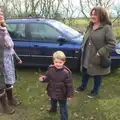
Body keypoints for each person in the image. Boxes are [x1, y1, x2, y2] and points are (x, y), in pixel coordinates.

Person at [75, 7, 116, 98]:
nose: (92, 16)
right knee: (85, 71)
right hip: (86, 54)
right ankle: (83, 86)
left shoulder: (107, 28)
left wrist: (100, 52)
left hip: (98, 56)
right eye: (91, 14)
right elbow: (86, 38)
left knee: (97, 74)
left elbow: (112, 44)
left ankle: (95, 91)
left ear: (101, 16)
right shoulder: (90, 26)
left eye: (95, 14)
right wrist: (83, 46)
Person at [39, 51, 73, 120]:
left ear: (64, 62)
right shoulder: (50, 69)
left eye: (60, 62)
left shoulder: (66, 73)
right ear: (53, 61)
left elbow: (69, 85)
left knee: (63, 107)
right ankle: (53, 110)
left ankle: (64, 118)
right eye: (56, 62)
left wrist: (69, 95)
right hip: (52, 91)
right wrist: (43, 79)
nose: (58, 64)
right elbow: (47, 77)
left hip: (62, 94)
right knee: (53, 102)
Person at [0, 8, 22, 114]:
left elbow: (10, 47)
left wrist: (16, 57)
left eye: (1, 13)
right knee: (1, 85)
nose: (1, 15)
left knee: (9, 81)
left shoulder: (3, 28)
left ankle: (10, 99)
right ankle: (5, 107)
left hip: (7, 59)